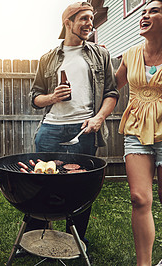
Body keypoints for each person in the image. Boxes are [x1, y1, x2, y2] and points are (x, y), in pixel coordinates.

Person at [28, 1, 119, 247]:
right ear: (68, 23)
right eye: (84, 19)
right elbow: (34, 98)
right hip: (50, 129)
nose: (90, 23)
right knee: (41, 181)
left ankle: (75, 238)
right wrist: (52, 97)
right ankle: (36, 235)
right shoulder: (48, 58)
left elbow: (111, 93)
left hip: (84, 129)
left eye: (91, 18)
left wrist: (99, 118)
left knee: (82, 186)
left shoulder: (100, 54)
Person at [115, 0, 162, 264]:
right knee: (139, 199)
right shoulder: (130, 55)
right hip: (135, 131)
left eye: (153, 11)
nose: (145, 15)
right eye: (143, 12)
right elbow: (112, 87)